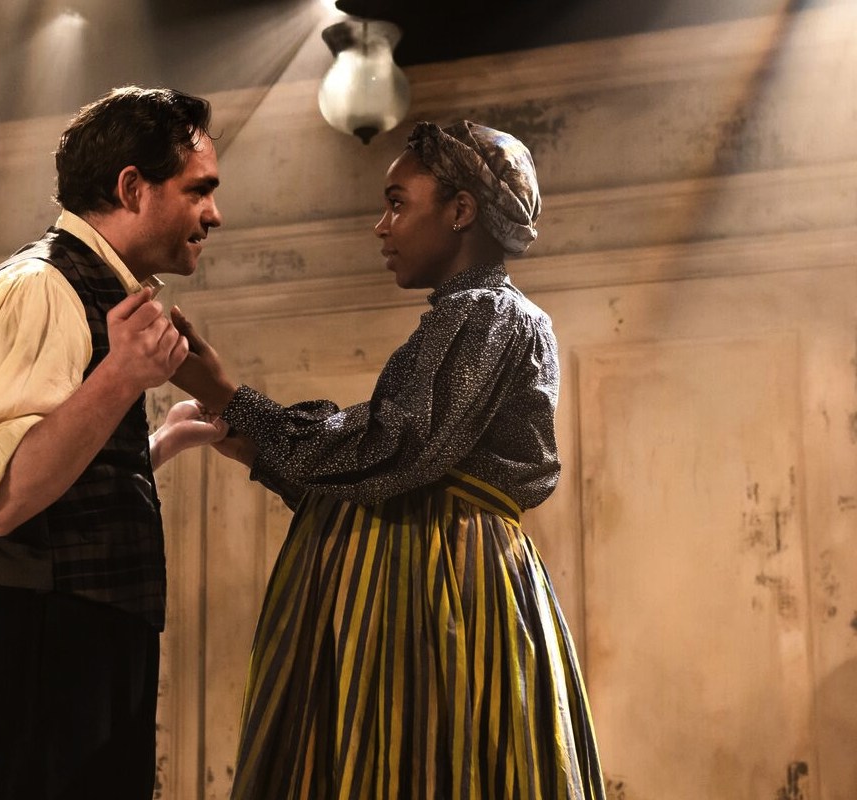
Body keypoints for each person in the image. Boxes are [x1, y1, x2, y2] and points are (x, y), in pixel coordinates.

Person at [171, 120, 606, 799]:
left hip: (438, 588)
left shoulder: (489, 313)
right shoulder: (467, 316)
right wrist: (259, 443)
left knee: (426, 753)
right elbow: (388, 463)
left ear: (461, 211)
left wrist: (235, 399)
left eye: (399, 202)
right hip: (422, 573)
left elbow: (394, 448)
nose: (381, 225)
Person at [0, 86, 226, 800]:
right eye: (199, 190)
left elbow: (51, 486)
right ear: (131, 187)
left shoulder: (93, 288)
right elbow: (1, 504)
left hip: (75, 643)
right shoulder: (39, 287)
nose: (215, 213)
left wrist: (150, 448)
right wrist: (123, 375)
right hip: (38, 647)